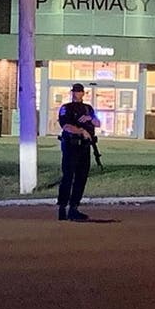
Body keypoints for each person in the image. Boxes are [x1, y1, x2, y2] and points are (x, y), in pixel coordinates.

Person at [57, 83, 100, 221]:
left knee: (81, 178)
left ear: (83, 93)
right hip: (71, 146)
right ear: (72, 93)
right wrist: (81, 131)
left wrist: (90, 119)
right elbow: (66, 126)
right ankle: (62, 207)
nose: (78, 94)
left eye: (80, 91)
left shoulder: (88, 109)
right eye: (76, 91)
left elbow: (98, 123)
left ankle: (74, 208)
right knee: (68, 177)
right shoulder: (66, 108)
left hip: (84, 147)